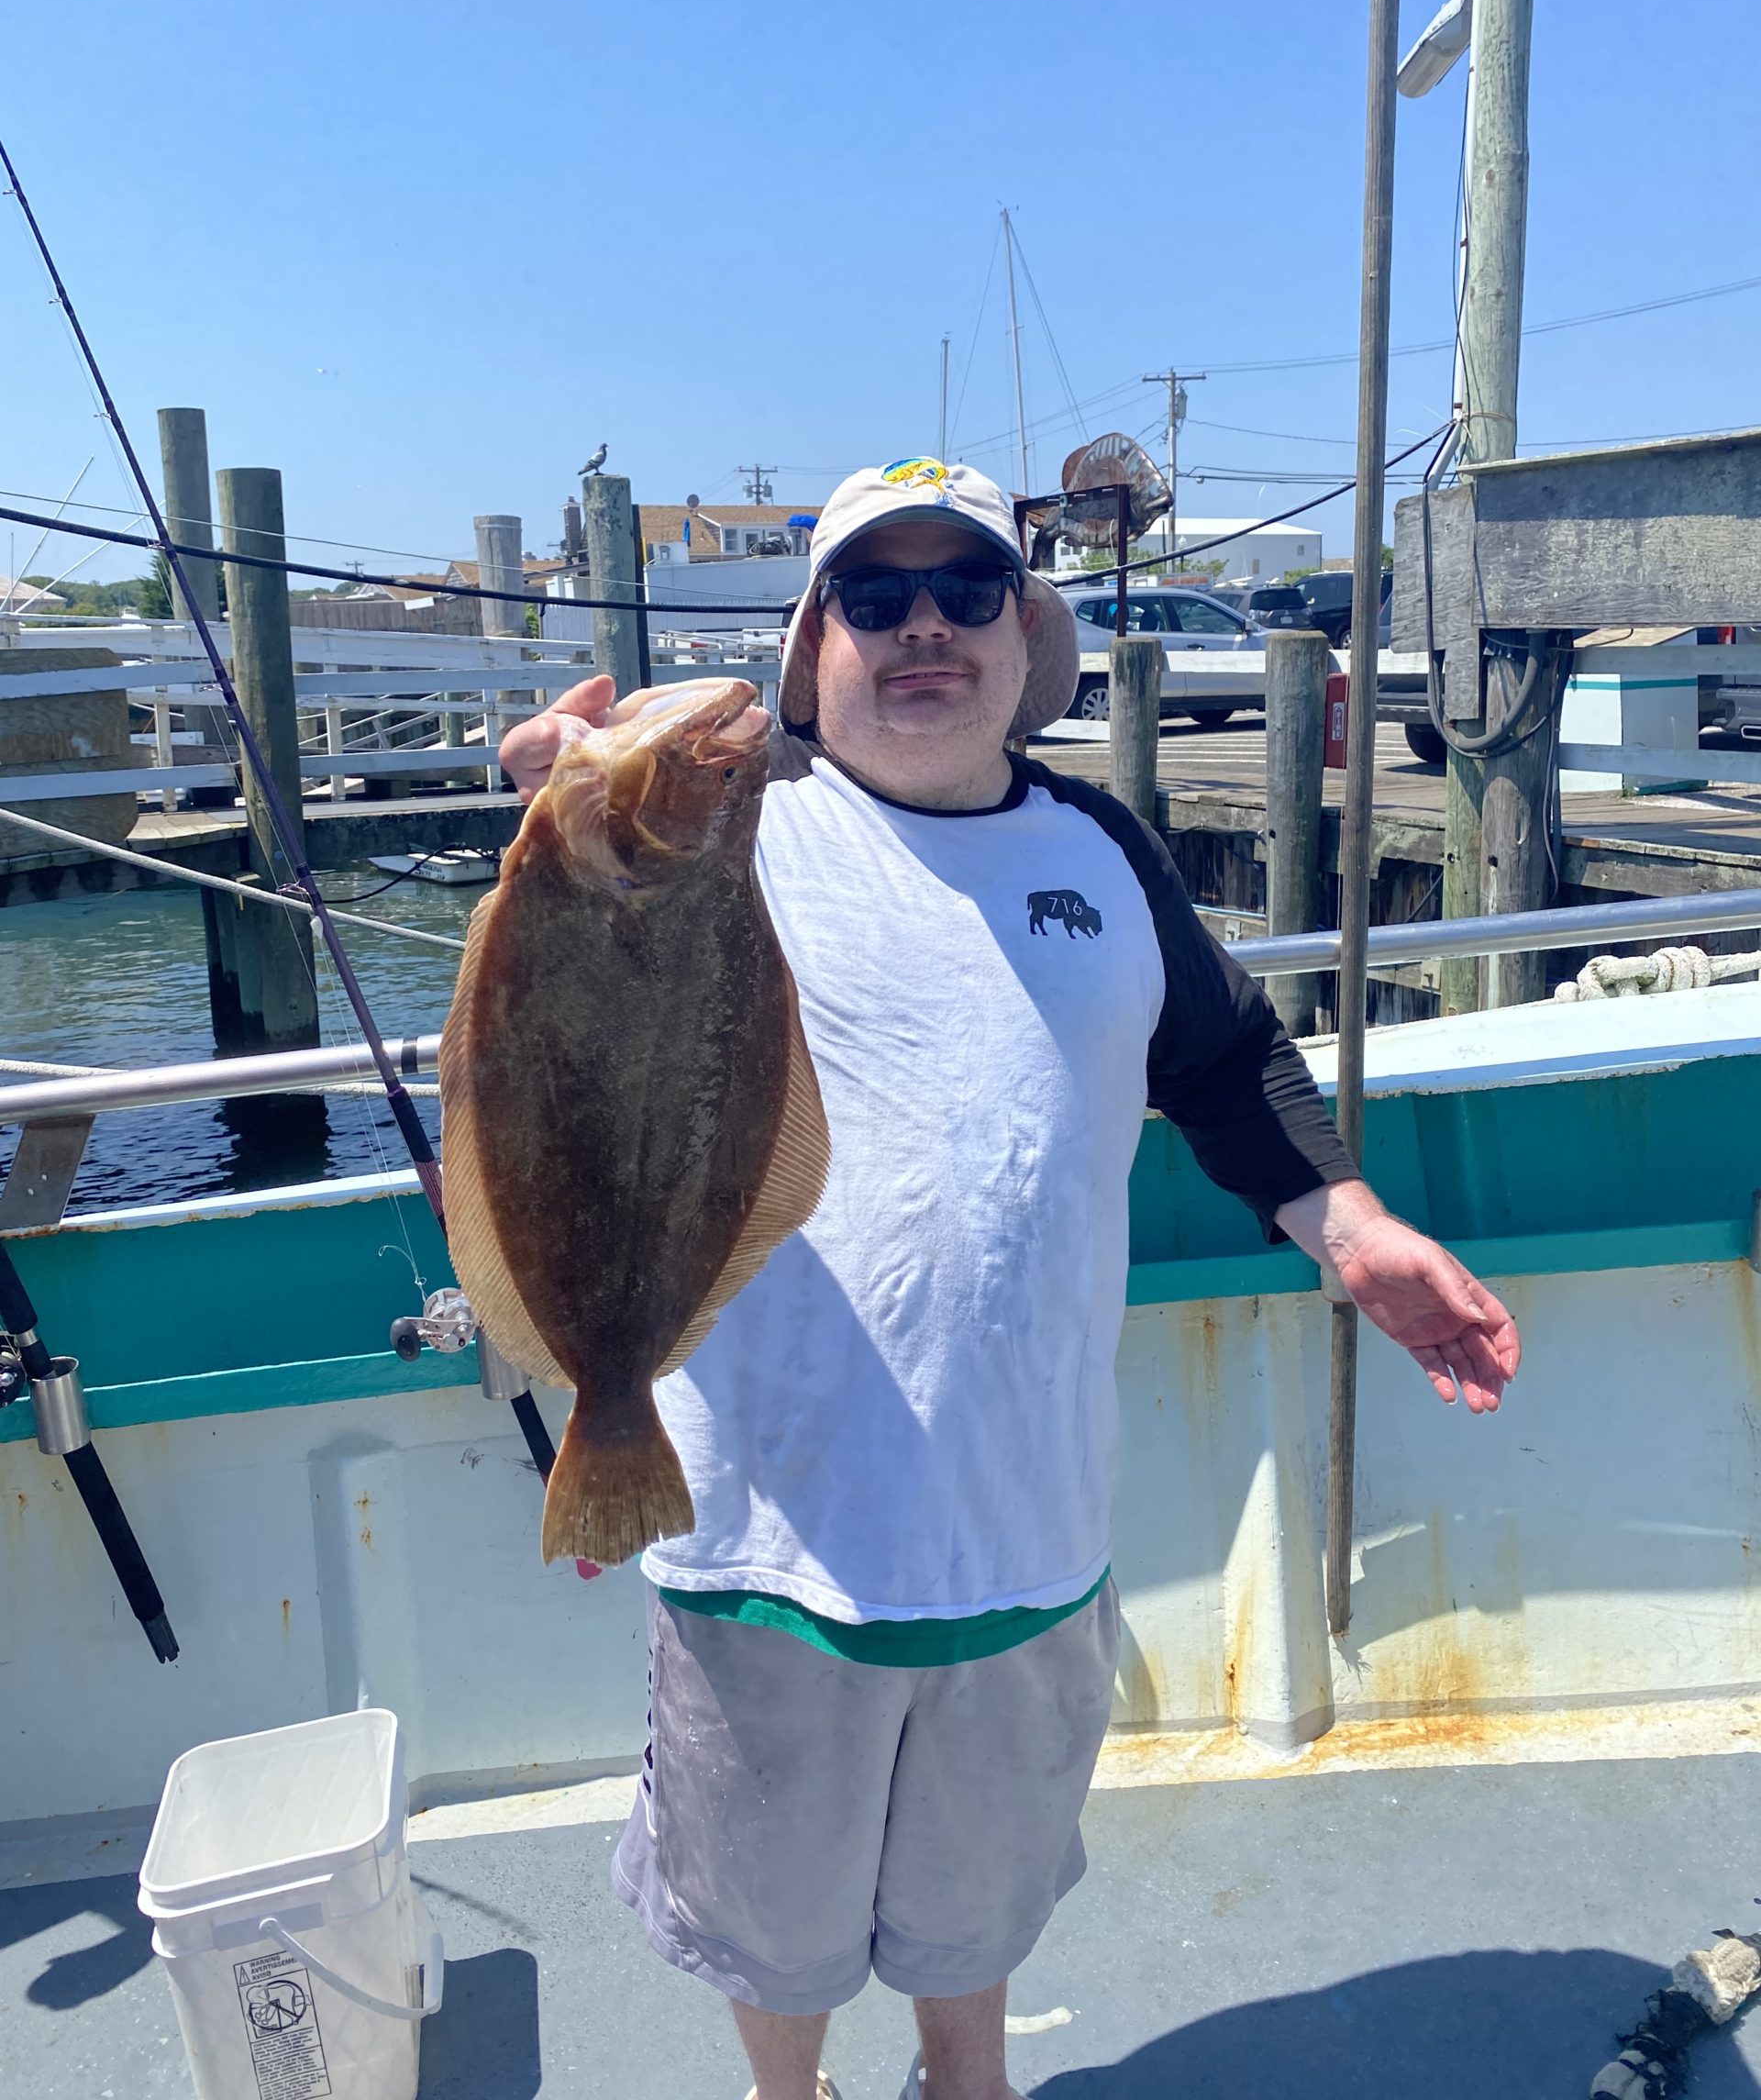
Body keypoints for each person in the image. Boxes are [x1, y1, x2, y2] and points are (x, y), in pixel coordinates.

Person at [501, 458, 1521, 2100]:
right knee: (771, 1912)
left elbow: (1223, 1060)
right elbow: (563, 1048)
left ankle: (964, 2079)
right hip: (768, 1532)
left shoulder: (1100, 847)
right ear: (813, 644)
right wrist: (569, 815)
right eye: (874, 595)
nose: (924, 625)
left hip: (1028, 1519)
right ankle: (788, 2092)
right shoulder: (734, 830)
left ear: (1021, 635)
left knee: (977, 1886)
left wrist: (1349, 1226)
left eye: (965, 590)